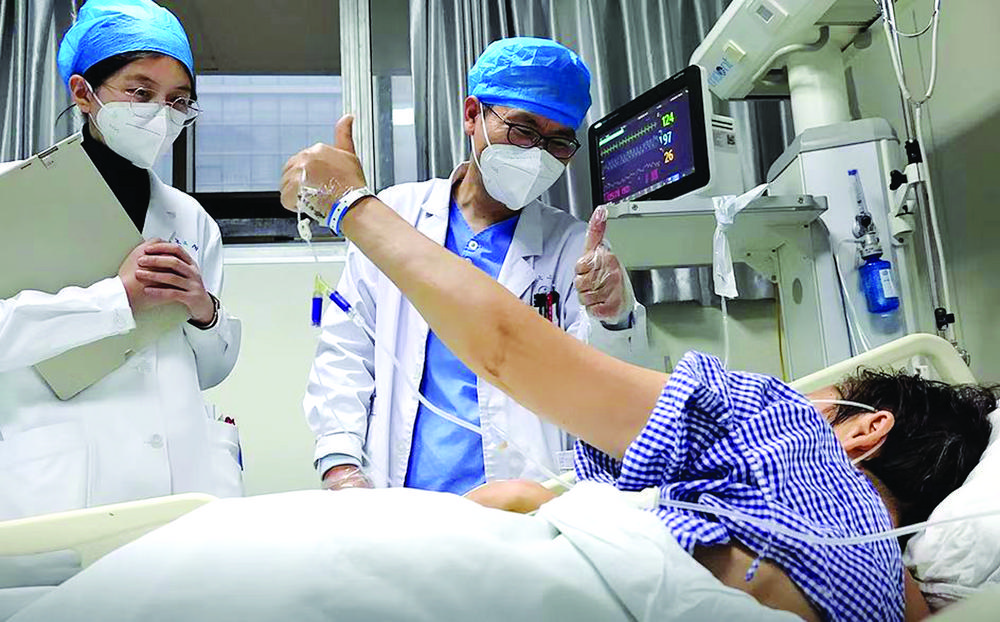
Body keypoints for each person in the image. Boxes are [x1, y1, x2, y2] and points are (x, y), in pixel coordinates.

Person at [276, 115, 999, 621]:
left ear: (867, 429)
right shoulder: (894, 592)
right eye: (523, 130)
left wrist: (351, 206)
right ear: (474, 118)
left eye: (825, 397)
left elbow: (511, 350)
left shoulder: (781, 425)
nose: (801, 397)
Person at [304, 37, 649, 494]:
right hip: (399, 495)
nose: (537, 155)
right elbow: (345, 352)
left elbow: (609, 395)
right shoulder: (394, 217)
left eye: (559, 142)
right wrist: (341, 464)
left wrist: (613, 318)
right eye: (523, 129)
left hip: (526, 501)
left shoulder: (573, 249)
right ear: (472, 116)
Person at [0, 0, 242, 521]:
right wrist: (116, 300)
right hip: (61, 489)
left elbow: (210, 371)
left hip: (183, 486)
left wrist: (204, 313)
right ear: (83, 92)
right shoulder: (12, 196)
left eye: (178, 101)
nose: (161, 114)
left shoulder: (191, 219)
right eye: (140, 92)